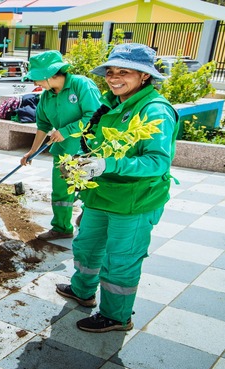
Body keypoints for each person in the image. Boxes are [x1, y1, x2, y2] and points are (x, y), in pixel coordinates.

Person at [55, 43, 178, 332]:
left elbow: (157, 162)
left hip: (133, 202)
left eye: (124, 72)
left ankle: (116, 316)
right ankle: (82, 291)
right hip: (100, 195)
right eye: (111, 71)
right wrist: (80, 164)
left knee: (120, 261)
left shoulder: (154, 110)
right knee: (87, 247)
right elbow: (97, 147)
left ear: (145, 76)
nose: (114, 77)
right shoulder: (111, 103)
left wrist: (109, 165)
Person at [20, 50, 101, 240]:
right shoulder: (46, 96)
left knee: (87, 189)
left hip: (86, 149)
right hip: (63, 151)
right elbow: (43, 125)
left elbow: (95, 116)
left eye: (37, 79)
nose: (35, 84)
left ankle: (88, 218)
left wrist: (65, 131)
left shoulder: (81, 85)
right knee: (61, 190)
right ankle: (61, 228)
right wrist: (31, 152)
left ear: (50, 75)